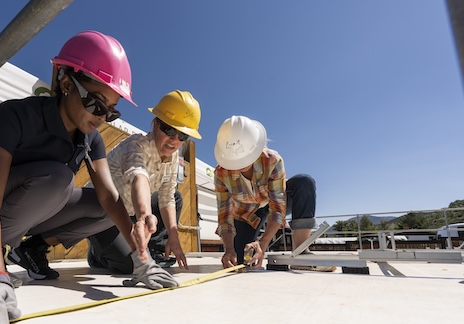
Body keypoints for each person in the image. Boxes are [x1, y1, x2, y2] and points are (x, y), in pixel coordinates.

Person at [0, 31, 177, 324]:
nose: (101, 117)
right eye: (95, 102)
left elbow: (110, 197)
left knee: (101, 205)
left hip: (29, 207)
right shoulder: (13, 116)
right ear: (66, 83)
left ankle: (30, 249)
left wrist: (141, 258)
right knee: (58, 178)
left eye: (111, 111)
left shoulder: (91, 138)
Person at [87, 90, 202, 273]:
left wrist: (173, 236)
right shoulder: (135, 145)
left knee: (176, 196)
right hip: (100, 211)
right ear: (155, 124)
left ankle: (153, 250)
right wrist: (143, 216)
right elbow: (139, 178)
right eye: (170, 130)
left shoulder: (173, 158)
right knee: (131, 265)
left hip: (129, 213)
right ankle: (97, 253)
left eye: (182, 136)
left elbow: (167, 197)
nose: (175, 140)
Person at [213, 115, 334, 272]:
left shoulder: (272, 160)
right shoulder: (221, 174)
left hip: (274, 203)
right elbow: (225, 217)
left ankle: (301, 253)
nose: (241, 164)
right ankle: (237, 251)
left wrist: (263, 243)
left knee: (304, 182)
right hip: (246, 214)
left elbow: (277, 208)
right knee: (241, 259)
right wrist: (229, 249)